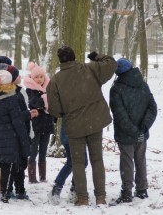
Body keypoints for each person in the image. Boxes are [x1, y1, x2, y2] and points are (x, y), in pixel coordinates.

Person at [46, 46, 117, 206]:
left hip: (74, 126)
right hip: (95, 122)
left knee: (77, 163)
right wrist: (96, 56)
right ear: (74, 57)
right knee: (97, 160)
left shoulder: (56, 80)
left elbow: (55, 111)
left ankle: (82, 198)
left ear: (60, 60)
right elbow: (112, 64)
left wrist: (67, 111)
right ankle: (100, 198)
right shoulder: (90, 68)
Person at [0, 70, 38, 203]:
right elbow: (17, 122)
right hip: (9, 141)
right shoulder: (10, 100)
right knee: (7, 167)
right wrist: (25, 142)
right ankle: (4, 194)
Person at [109, 58, 157, 205]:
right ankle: (142, 190)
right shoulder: (142, 84)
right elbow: (152, 107)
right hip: (140, 132)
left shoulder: (116, 89)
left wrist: (135, 129)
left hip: (126, 134)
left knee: (127, 162)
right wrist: (143, 127)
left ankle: (126, 193)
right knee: (140, 159)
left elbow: (119, 114)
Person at [0, 62, 33, 199]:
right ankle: (12, 189)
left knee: (20, 165)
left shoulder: (18, 91)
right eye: (17, 75)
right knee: (14, 165)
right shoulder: (11, 95)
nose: (20, 77)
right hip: (15, 135)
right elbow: (15, 117)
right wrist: (29, 115)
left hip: (21, 133)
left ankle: (18, 189)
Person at [24, 62, 54, 183]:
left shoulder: (49, 88)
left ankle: (43, 176)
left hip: (47, 124)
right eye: (36, 77)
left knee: (43, 150)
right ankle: (32, 177)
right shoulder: (30, 90)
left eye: (41, 76)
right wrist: (45, 100)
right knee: (33, 150)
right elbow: (34, 103)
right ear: (32, 78)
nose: (39, 79)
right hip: (35, 125)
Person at [48, 120, 88, 205]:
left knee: (82, 162)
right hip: (71, 134)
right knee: (73, 162)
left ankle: (73, 188)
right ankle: (57, 189)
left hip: (78, 134)